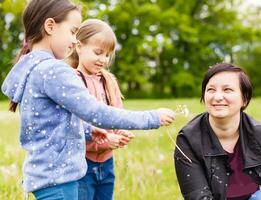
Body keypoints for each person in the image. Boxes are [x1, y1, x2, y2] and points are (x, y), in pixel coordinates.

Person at [1, 0, 175, 199]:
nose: (75, 41)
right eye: (73, 31)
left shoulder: (32, 68)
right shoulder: (53, 70)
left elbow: (50, 123)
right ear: (50, 26)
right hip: (60, 180)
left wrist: (89, 131)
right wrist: (153, 118)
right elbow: (96, 112)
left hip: (46, 178)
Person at [174, 63, 261, 200]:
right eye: (211, 90)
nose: (217, 97)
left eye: (227, 90)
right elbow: (198, 197)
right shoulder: (188, 140)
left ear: (244, 99)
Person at [65, 19, 135, 200]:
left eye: (107, 55)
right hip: (82, 163)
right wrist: (103, 141)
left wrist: (121, 133)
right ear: (79, 47)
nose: (103, 60)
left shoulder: (108, 81)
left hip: (106, 162)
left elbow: (116, 114)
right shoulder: (71, 81)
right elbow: (72, 124)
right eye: (98, 53)